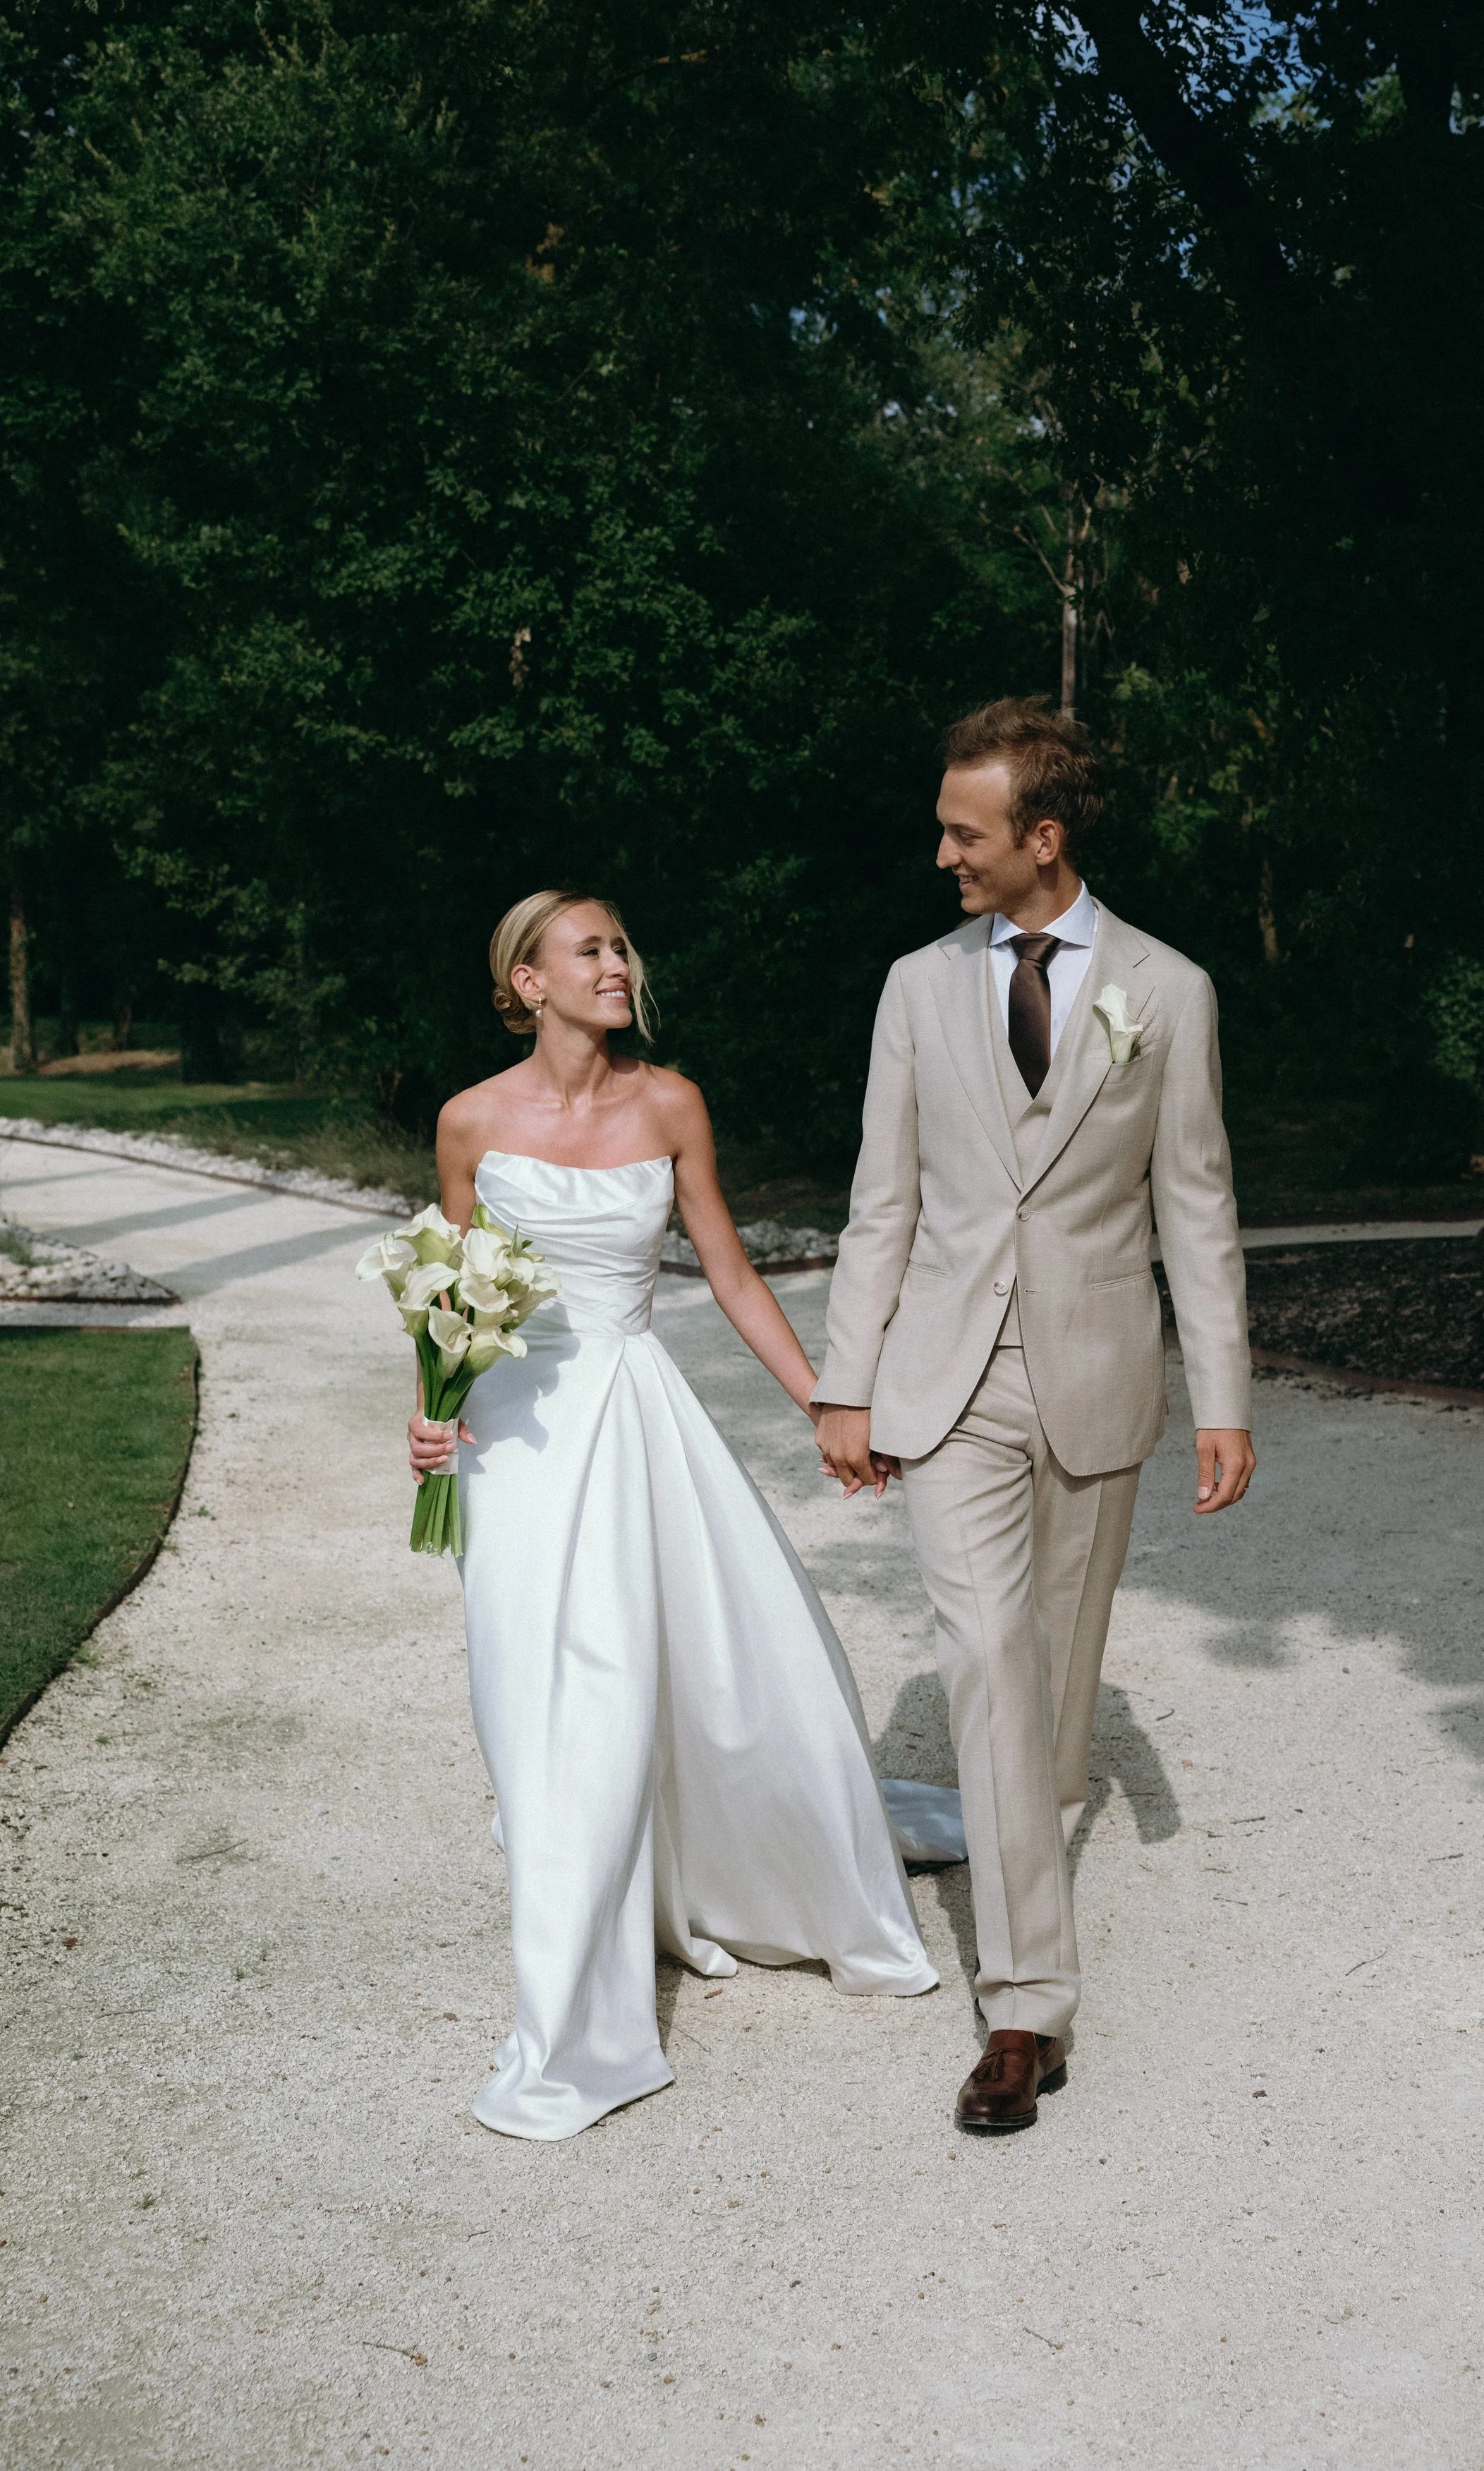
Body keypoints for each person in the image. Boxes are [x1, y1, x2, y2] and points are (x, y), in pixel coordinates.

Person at [406, 890, 935, 2142]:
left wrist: (830, 1405)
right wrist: (429, 1414)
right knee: (545, 1693)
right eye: (590, 948)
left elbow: (733, 1273)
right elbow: (448, 1293)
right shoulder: (470, 1121)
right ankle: (572, 1999)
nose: (618, 963)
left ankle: (724, 1869)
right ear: (528, 981)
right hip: (515, 1444)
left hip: (636, 1415)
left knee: (706, 1668)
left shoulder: (671, 1103)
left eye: (622, 945)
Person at [815, 698, 1255, 2135]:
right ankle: (1025, 2010)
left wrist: (1222, 1398)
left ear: (1040, 840)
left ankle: (1021, 1820)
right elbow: (879, 1201)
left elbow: (1192, 1202)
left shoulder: (1165, 991)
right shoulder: (908, 986)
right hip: (945, 1383)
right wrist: (846, 1381)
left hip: (1093, 1370)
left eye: (964, 830)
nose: (940, 851)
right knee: (987, 1652)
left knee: (1055, 1666)